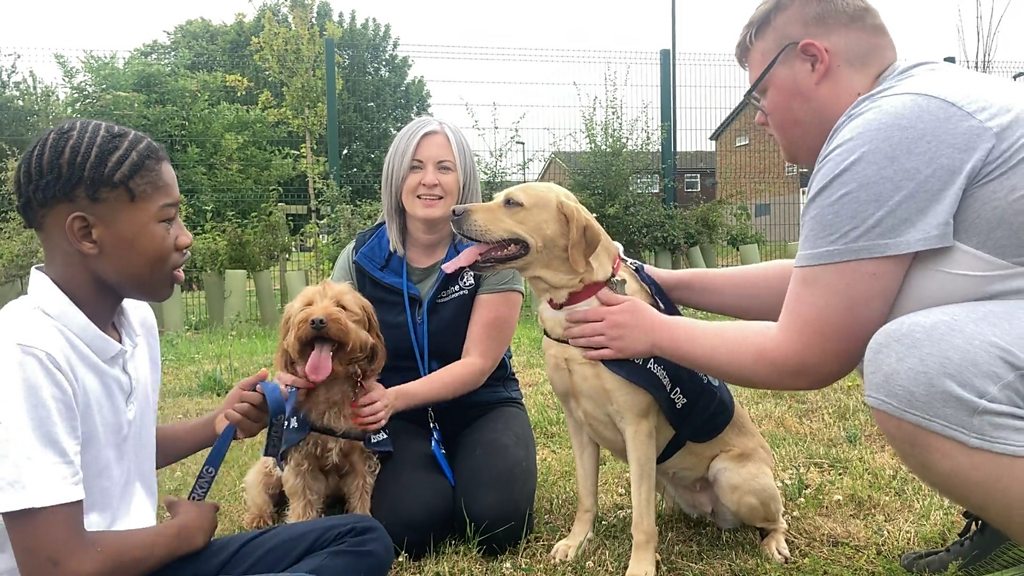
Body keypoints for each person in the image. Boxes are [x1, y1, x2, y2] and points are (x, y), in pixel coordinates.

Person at [561, 1, 1024, 574]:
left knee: (911, 360)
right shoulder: (926, 104)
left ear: (812, 59)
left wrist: (653, 330)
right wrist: (663, 282)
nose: (757, 117)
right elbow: (819, 283)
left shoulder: (886, 128)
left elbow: (807, 353)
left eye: (759, 93)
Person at [0, 118, 395, 576]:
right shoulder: (26, 352)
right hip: (91, 567)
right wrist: (181, 533)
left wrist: (219, 422)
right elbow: (55, 565)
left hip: (143, 561)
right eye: (167, 219)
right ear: (87, 234)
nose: (185, 236)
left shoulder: (133, 322)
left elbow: (118, 449)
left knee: (362, 537)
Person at [294, 116, 537, 559]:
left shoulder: (491, 257)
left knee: (498, 525)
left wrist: (395, 398)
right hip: (398, 418)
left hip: (481, 405)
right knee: (408, 528)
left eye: (445, 167)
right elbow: (322, 338)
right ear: (396, 177)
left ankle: (476, 475)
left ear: (464, 179)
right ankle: (433, 486)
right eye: (415, 166)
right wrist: (297, 377)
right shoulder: (361, 257)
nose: (429, 180)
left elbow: (477, 364)